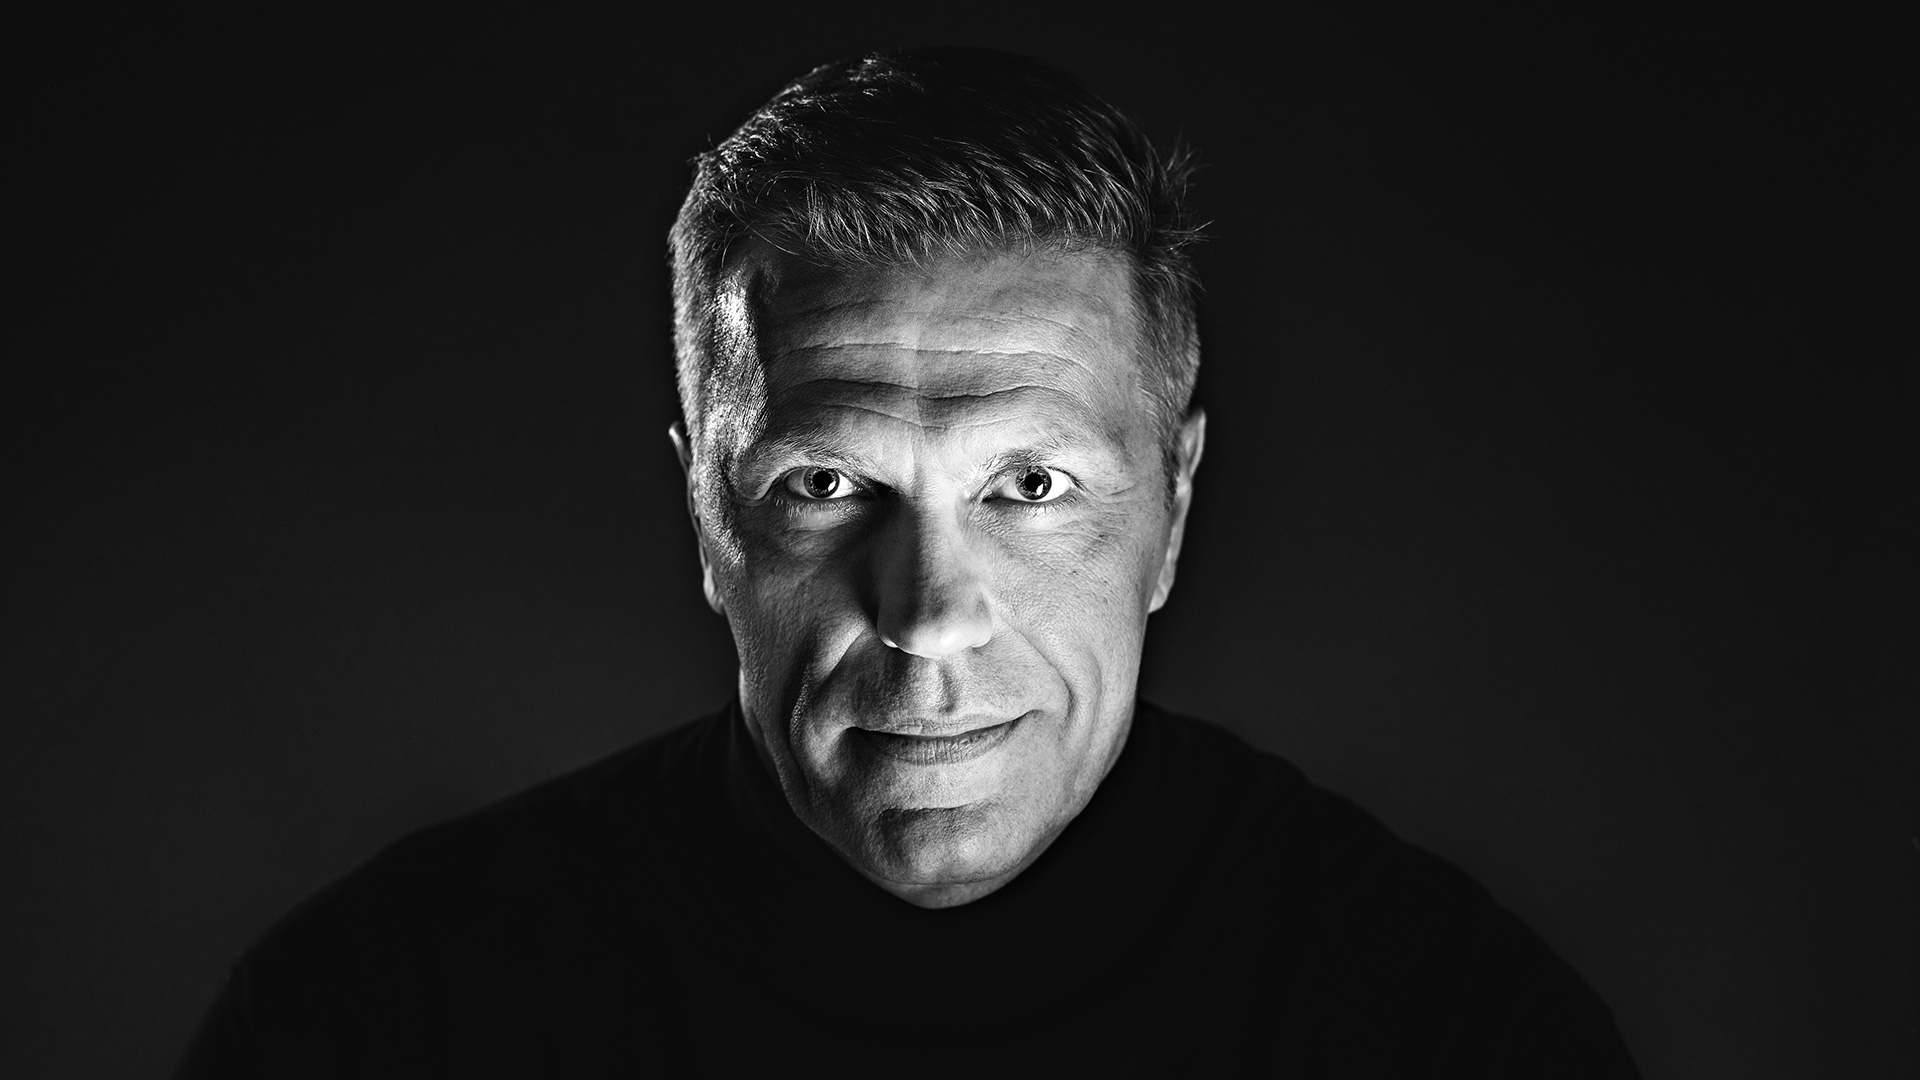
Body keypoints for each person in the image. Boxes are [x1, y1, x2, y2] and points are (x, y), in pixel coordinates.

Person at [177, 47, 1639, 1076]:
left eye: (1031, 486)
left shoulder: (1451, 1028)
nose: (929, 616)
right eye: (827, 485)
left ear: (1174, 509)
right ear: (707, 517)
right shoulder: (375, 1020)